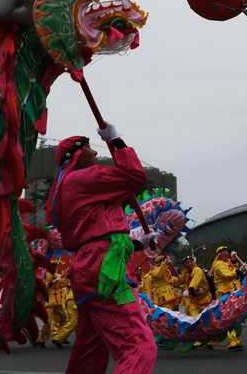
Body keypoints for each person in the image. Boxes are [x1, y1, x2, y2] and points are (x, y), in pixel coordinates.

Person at [47, 126, 157, 374]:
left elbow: (101, 233)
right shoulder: (83, 178)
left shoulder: (73, 186)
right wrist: (117, 141)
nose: (95, 154)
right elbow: (133, 176)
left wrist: (140, 243)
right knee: (140, 347)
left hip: (92, 266)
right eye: (89, 149)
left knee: (90, 352)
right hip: (106, 272)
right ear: (76, 155)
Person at [210, 246, 245, 351]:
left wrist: (234, 260)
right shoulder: (218, 264)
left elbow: (233, 268)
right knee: (229, 318)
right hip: (224, 295)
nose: (226, 253)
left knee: (234, 318)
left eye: (227, 251)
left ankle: (234, 341)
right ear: (219, 254)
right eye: (224, 252)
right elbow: (227, 275)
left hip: (234, 293)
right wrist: (239, 271)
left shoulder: (228, 262)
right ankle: (233, 342)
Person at [179, 256, 214, 350]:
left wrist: (190, 289)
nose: (189, 264)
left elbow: (195, 281)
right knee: (194, 320)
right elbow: (181, 283)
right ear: (184, 265)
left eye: (191, 262)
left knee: (206, 321)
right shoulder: (185, 274)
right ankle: (195, 340)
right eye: (187, 263)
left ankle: (208, 341)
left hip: (204, 300)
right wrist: (185, 289)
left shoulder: (198, 270)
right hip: (193, 301)